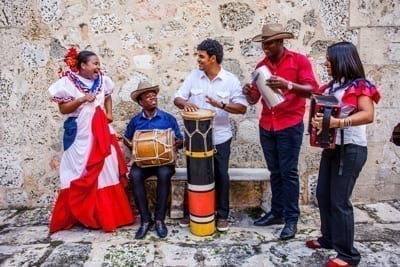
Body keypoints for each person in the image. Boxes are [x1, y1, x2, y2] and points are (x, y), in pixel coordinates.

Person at [306, 42, 380, 267]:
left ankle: (348, 255)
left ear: (342, 60)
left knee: (339, 200)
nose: (326, 63)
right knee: (323, 194)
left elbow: (368, 115)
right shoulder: (331, 88)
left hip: (352, 149)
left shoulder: (360, 85)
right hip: (333, 147)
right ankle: (329, 238)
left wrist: (338, 122)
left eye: (329, 59)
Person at [242, 24, 319, 240]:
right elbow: (253, 99)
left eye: (269, 43)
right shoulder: (261, 66)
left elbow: (313, 90)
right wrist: (248, 92)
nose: (265, 47)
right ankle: (276, 213)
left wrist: (288, 85)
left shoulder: (299, 61)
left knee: (289, 173)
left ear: (280, 42)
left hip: (290, 125)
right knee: (275, 173)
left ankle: (291, 218)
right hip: (267, 125)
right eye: (263, 43)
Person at [48, 48, 135, 233]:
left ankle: (108, 215)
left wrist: (109, 113)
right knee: (79, 171)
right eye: (95, 63)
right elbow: (63, 109)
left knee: (106, 169)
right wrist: (81, 100)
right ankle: (83, 214)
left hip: (102, 132)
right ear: (83, 65)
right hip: (80, 135)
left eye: (98, 64)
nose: (98, 67)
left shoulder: (102, 80)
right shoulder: (67, 83)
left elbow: (108, 95)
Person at [174, 38, 248, 232]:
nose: (198, 60)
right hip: (195, 139)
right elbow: (178, 97)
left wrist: (221, 105)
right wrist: (185, 104)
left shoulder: (230, 80)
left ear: (213, 58)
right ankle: (190, 212)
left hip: (220, 137)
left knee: (221, 175)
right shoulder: (193, 76)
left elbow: (242, 108)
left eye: (201, 56)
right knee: (194, 175)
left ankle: (222, 215)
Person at [123, 81, 183, 239]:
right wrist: (136, 150)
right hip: (143, 163)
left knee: (164, 175)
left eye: (153, 95)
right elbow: (126, 139)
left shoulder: (168, 118)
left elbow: (180, 139)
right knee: (134, 176)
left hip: (164, 162)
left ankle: (159, 220)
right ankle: (145, 220)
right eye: (148, 97)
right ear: (140, 102)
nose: (152, 98)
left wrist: (178, 143)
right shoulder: (135, 121)